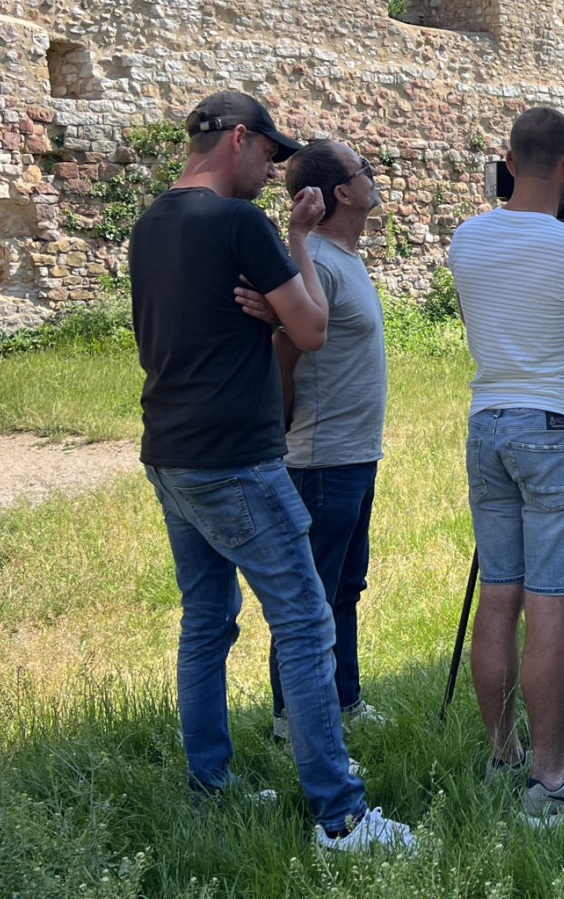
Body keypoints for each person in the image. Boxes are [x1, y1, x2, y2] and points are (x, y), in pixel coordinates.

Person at [129, 90, 414, 853]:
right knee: (306, 622)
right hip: (239, 460)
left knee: (206, 624)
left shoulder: (150, 222)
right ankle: (341, 818)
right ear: (238, 141)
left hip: (170, 452)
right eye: (270, 154)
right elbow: (313, 329)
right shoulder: (238, 222)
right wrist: (292, 247)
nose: (276, 170)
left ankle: (210, 783)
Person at [446, 105, 564, 827]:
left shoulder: (466, 238)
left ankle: (501, 755)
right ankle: (549, 783)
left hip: (488, 424)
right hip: (555, 426)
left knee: (499, 596)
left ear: (508, 162)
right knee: (551, 605)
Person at [234, 139, 388, 745]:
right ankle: (289, 721)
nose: (374, 175)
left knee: (345, 587)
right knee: (311, 598)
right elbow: (285, 352)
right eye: (364, 169)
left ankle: (344, 700)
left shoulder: (342, 255)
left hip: (355, 452)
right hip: (321, 460)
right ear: (341, 193)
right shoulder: (316, 262)